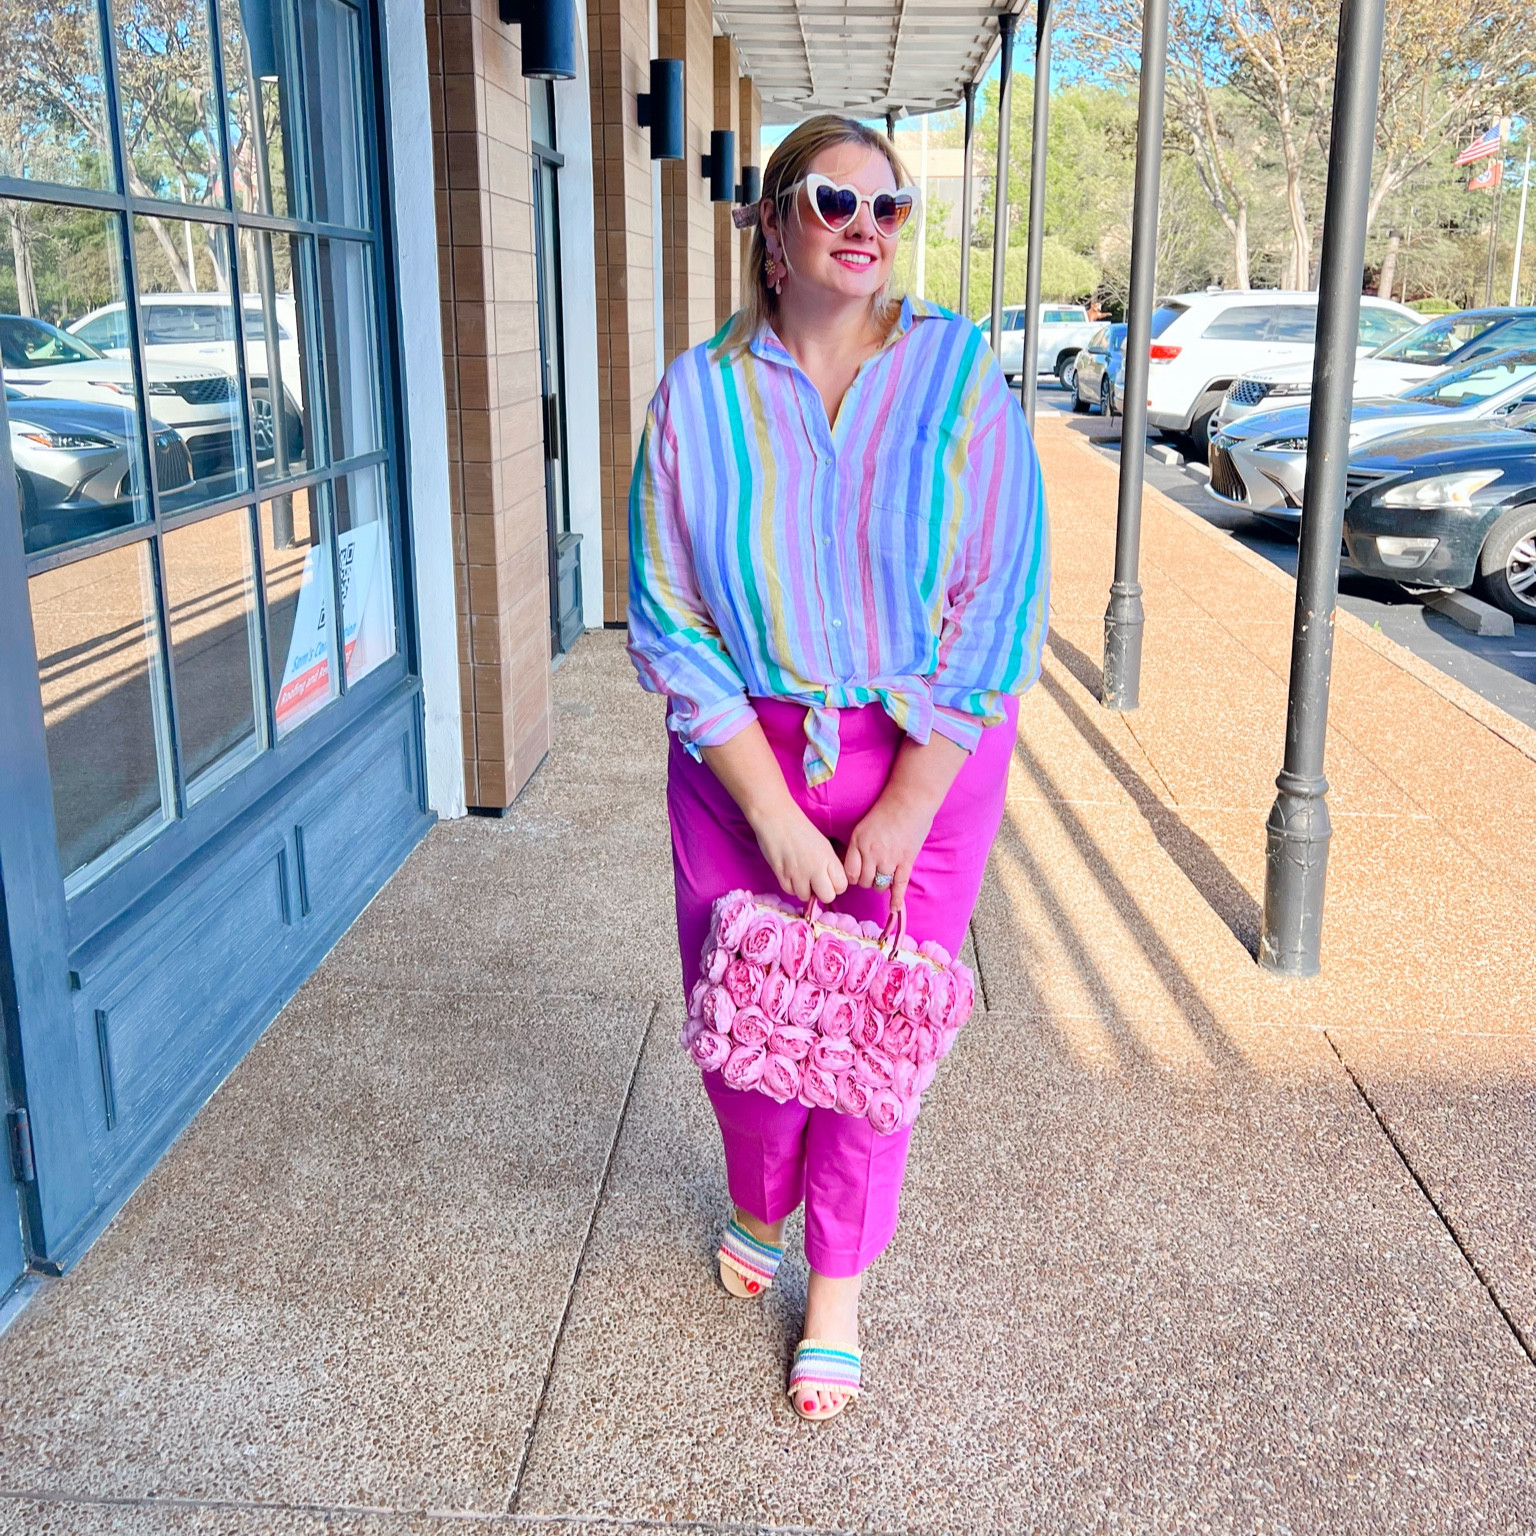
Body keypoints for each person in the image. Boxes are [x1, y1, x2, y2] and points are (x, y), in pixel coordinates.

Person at [626, 113, 1050, 1423]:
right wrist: (773, 812)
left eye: (889, 206)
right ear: (769, 227)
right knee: (748, 1027)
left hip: (924, 749)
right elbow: (666, 614)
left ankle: (840, 1289)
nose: (865, 226)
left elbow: (1001, 596)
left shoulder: (959, 375)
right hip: (739, 752)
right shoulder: (693, 398)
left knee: (872, 1033)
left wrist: (909, 803)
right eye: (832, 201)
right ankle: (758, 1195)